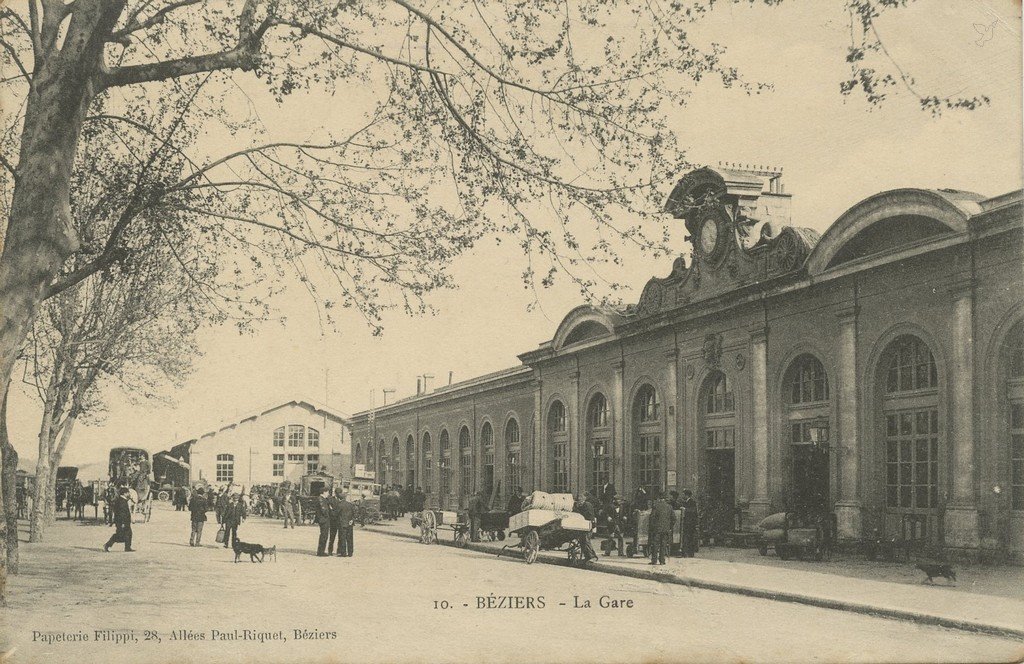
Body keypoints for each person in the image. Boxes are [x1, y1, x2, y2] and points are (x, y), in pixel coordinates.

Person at [648, 490, 675, 566]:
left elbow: (652, 517)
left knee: (655, 545)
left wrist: (652, 527)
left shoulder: (656, 506)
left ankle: (654, 561)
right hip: (666, 529)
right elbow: (674, 518)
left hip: (657, 529)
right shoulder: (669, 507)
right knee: (663, 545)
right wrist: (670, 526)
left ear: (659, 498)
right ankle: (662, 561)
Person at [103, 487, 135, 552]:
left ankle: (127, 548)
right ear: (124, 493)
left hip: (124, 521)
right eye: (128, 492)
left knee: (129, 534)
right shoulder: (121, 501)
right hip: (122, 522)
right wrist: (123, 523)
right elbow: (121, 513)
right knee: (120, 536)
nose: (129, 494)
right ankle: (107, 544)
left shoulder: (121, 500)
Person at [573, 494, 599, 562]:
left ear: (583, 500)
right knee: (583, 540)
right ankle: (588, 556)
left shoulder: (587, 505)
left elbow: (588, 516)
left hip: (588, 525)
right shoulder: (584, 505)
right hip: (585, 525)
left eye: (580, 501)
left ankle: (592, 556)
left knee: (586, 540)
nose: (579, 502)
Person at [335, 488, 355, 557]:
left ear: (339, 498)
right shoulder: (350, 504)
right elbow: (353, 513)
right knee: (349, 538)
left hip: (342, 524)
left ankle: (343, 553)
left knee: (342, 538)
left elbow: (336, 514)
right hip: (350, 523)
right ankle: (350, 553)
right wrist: (352, 520)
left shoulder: (339, 505)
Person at [679, 489, 699, 558]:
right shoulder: (684, 502)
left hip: (691, 524)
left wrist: (685, 509)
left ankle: (690, 553)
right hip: (686, 523)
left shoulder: (692, 502)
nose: (682, 496)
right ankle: (686, 553)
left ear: (687, 495)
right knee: (686, 538)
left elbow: (693, 511)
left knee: (690, 538)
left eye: (683, 494)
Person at [314, 488, 331, 556]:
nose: (328, 494)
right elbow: (323, 510)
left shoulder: (322, 499)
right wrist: (329, 515)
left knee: (324, 535)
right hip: (324, 519)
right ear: (324, 492)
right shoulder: (321, 499)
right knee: (324, 535)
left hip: (323, 519)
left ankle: (321, 551)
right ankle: (321, 552)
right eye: (327, 492)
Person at [327, 487, 343, 554]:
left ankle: (338, 551)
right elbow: (329, 509)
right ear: (336, 493)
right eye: (338, 493)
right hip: (333, 521)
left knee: (340, 536)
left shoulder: (342, 500)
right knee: (332, 536)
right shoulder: (330, 499)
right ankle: (330, 551)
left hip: (340, 521)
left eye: (340, 493)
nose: (340, 494)